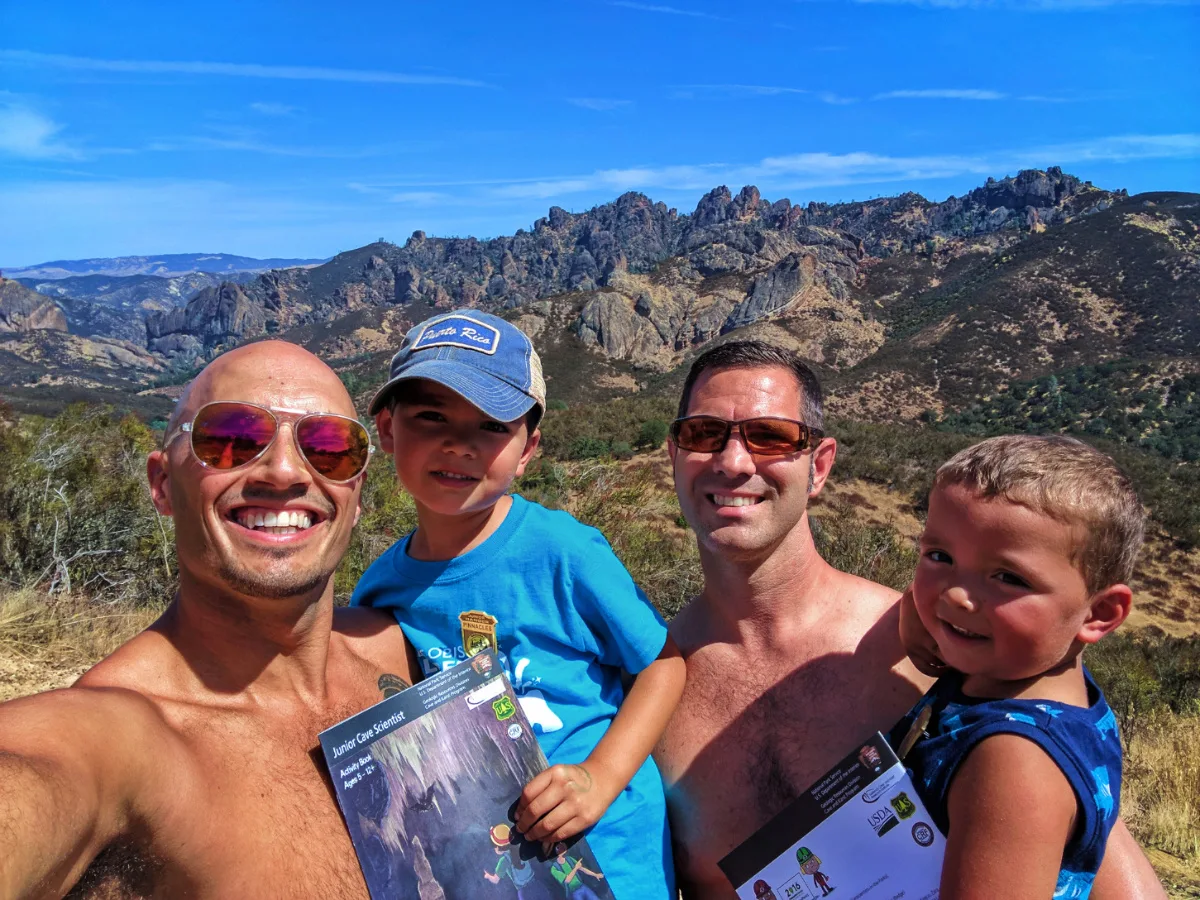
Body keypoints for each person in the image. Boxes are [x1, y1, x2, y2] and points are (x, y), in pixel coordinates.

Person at [651, 339, 1167, 900]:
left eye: (770, 436)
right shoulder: (639, 684)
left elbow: (1087, 840)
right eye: (703, 434)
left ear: (818, 466)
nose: (732, 462)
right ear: (675, 455)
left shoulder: (939, 647)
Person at [0, 341, 420, 897]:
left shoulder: (400, 646)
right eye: (232, 440)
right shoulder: (121, 741)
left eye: (329, 446)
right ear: (161, 483)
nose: (285, 472)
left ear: (358, 493)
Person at [351, 311, 684, 900]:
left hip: (612, 857)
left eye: (490, 425)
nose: (458, 443)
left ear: (527, 448)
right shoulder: (379, 592)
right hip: (492, 873)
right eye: (430, 416)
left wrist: (597, 779)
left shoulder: (563, 552)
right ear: (386, 431)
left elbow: (662, 664)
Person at [893, 435, 1140, 898]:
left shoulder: (1014, 763)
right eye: (939, 556)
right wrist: (914, 610)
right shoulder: (1024, 671)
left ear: (1099, 614)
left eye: (1008, 578)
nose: (955, 596)